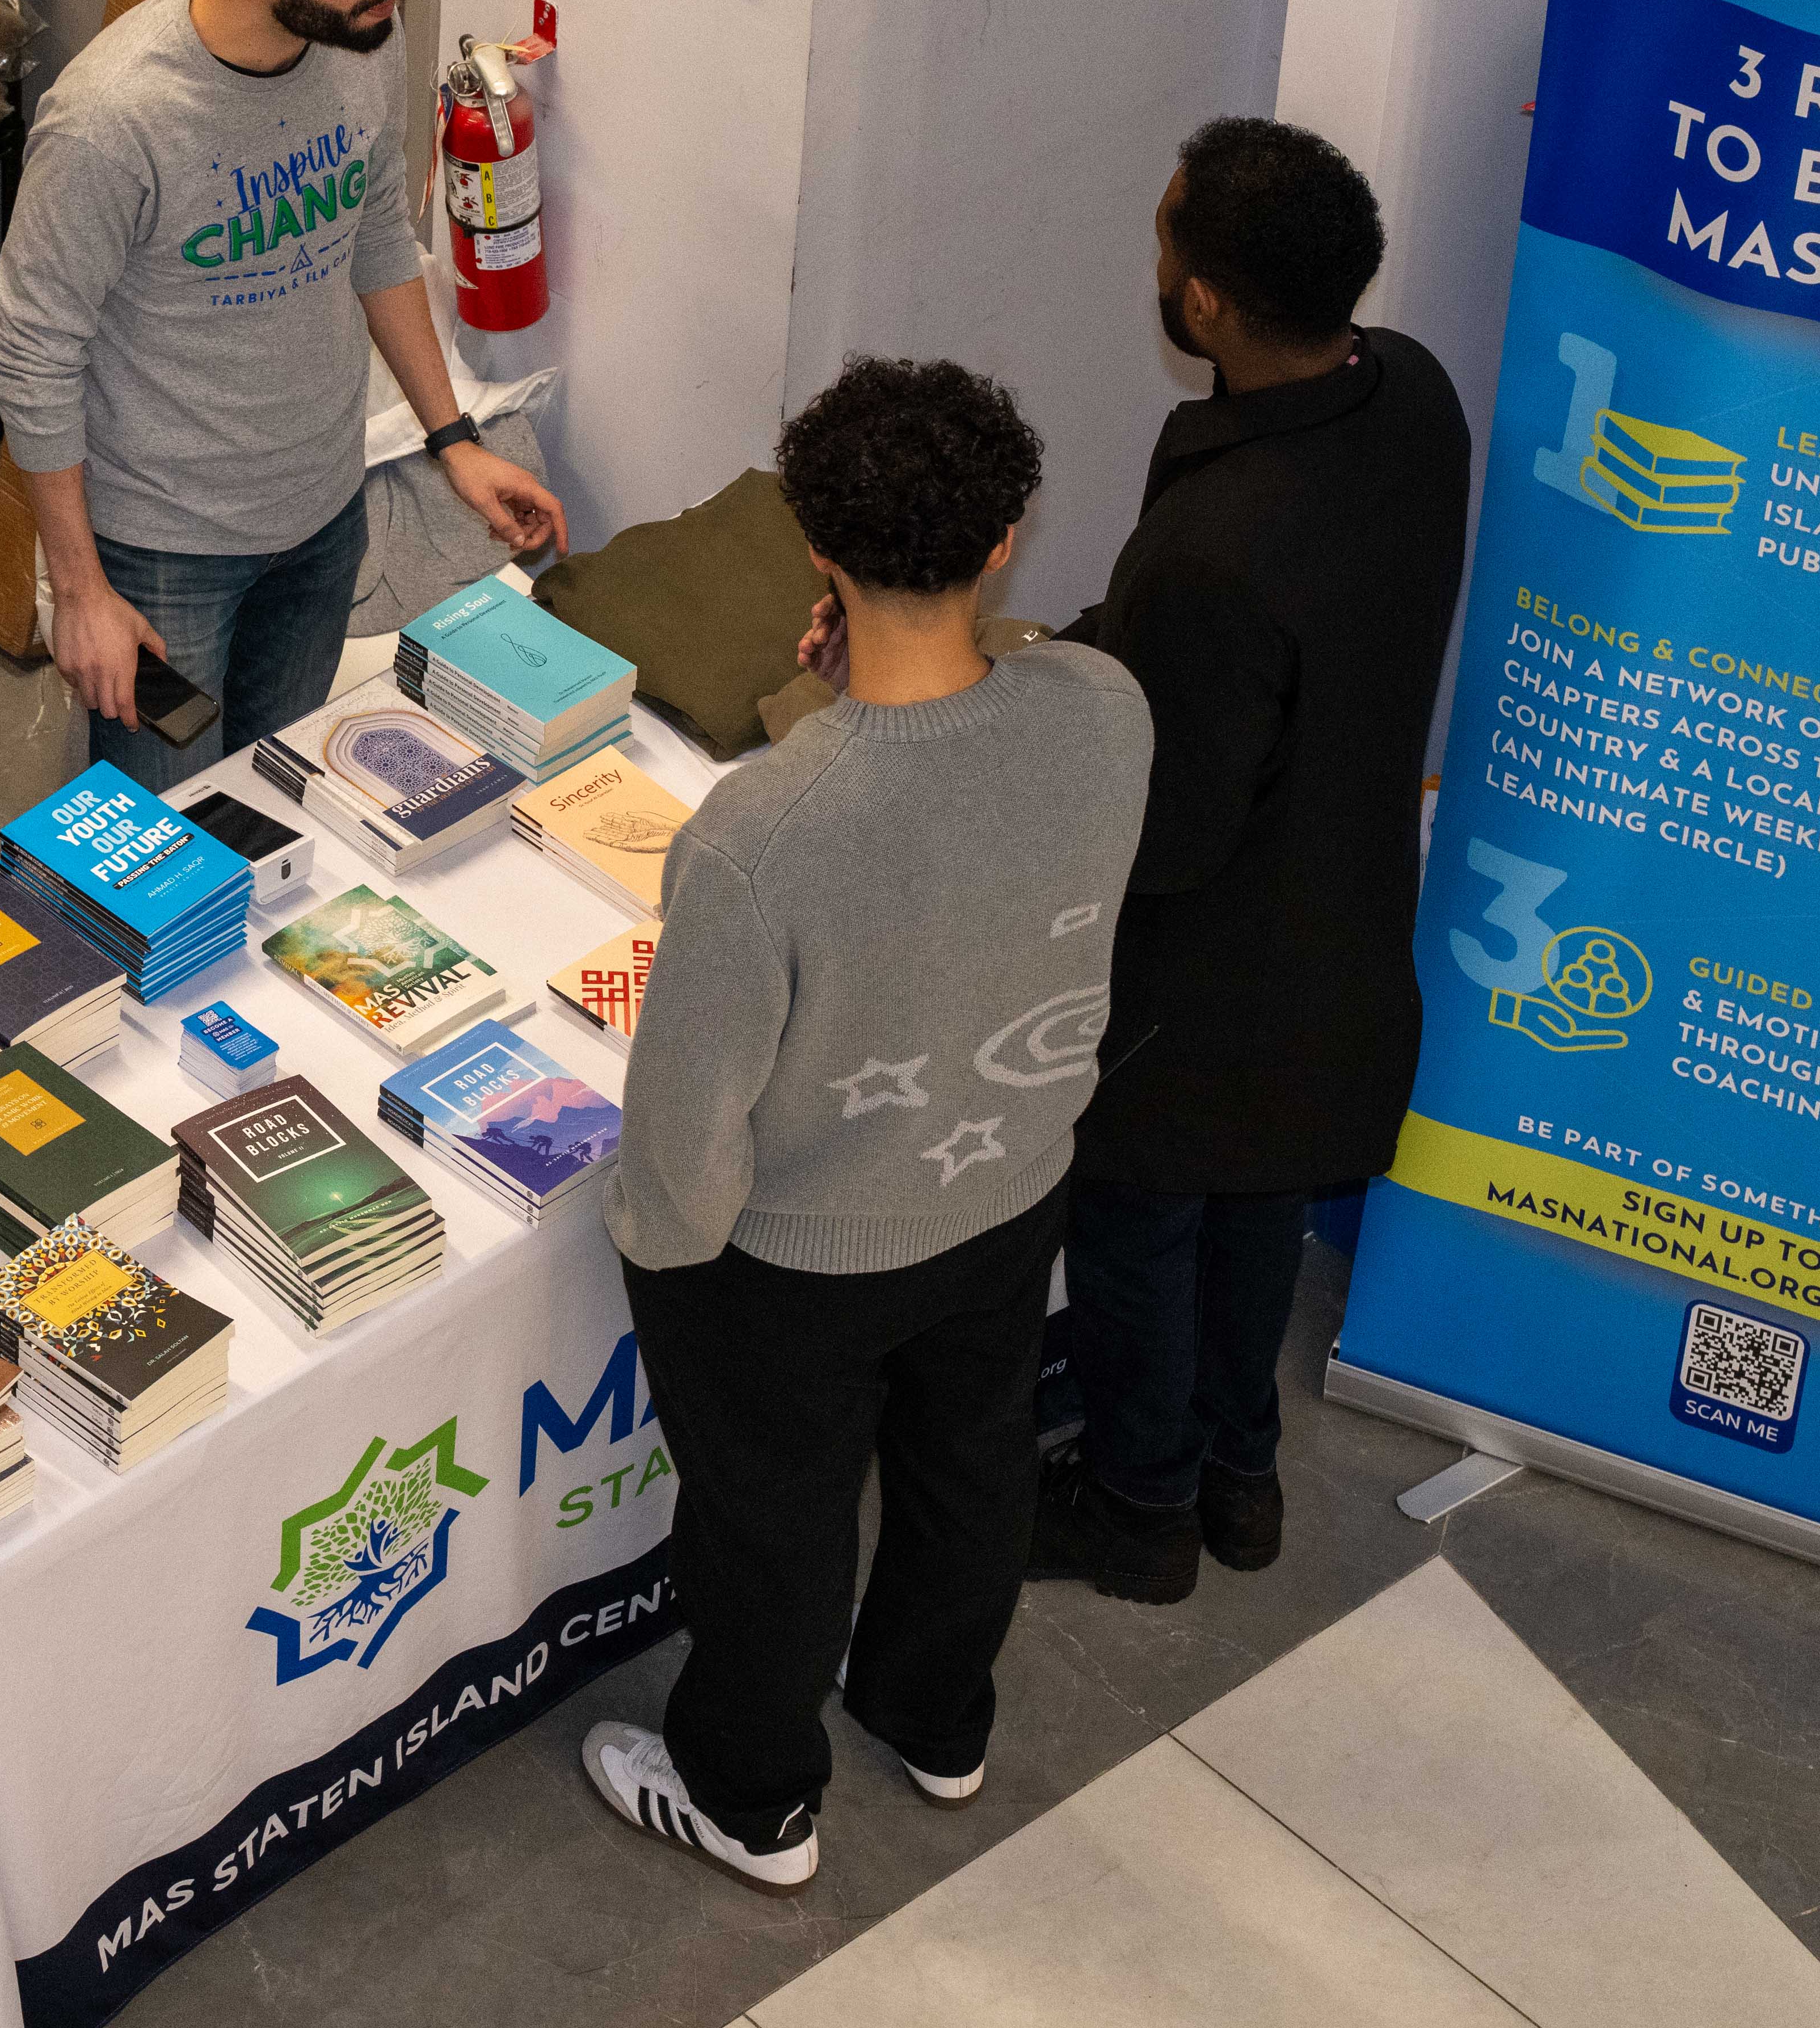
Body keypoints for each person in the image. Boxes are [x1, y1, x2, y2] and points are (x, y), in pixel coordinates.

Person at [579, 357, 1152, 1894]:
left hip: (802, 1258)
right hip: (1013, 1183)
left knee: (774, 1528)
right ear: (1011, 535)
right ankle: (932, 1717)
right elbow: (998, 756)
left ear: (814, 550)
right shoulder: (1107, 711)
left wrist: (664, 1253)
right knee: (975, 1469)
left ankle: (753, 1798)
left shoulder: (765, 829)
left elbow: (687, 1139)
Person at [1028, 117, 1471, 1602]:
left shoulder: (1216, 546)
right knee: (1262, 1207)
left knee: (1142, 1220)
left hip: (1207, 966)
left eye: (1167, 244)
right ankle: (1239, 1473)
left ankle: (1141, 1508)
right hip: (1345, 929)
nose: (1155, 262)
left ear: (1207, 301)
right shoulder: (1412, 398)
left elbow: (1171, 829)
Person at [0, 0, 567, 782]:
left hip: (322, 518)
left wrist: (455, 443)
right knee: (164, 853)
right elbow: (31, 359)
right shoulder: (111, 124)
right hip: (165, 552)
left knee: (274, 804)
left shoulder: (359, 44)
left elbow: (377, 235)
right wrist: (80, 590)